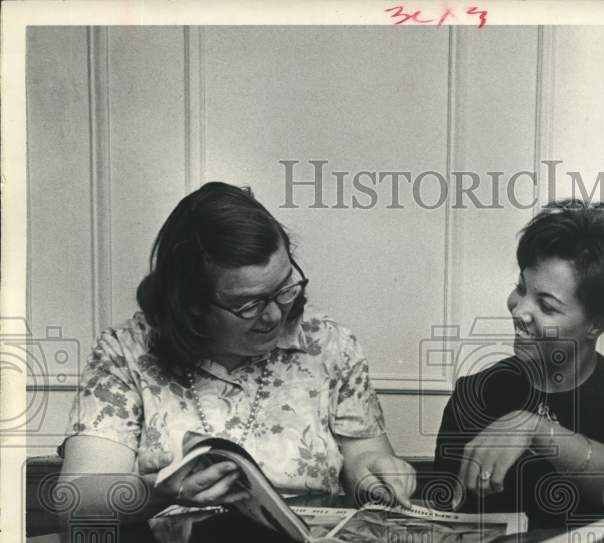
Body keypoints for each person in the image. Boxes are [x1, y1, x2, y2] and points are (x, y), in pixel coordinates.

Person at [59, 182, 415, 520]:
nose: (274, 315)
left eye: (284, 288)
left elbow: (363, 455)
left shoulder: (331, 345)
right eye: (248, 304)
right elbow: (76, 497)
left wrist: (373, 471)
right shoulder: (125, 351)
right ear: (191, 303)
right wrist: (155, 493)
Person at [434, 200, 604, 529]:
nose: (519, 311)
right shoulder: (474, 394)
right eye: (520, 289)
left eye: (546, 306)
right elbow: (446, 514)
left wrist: (535, 429)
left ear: (596, 323)